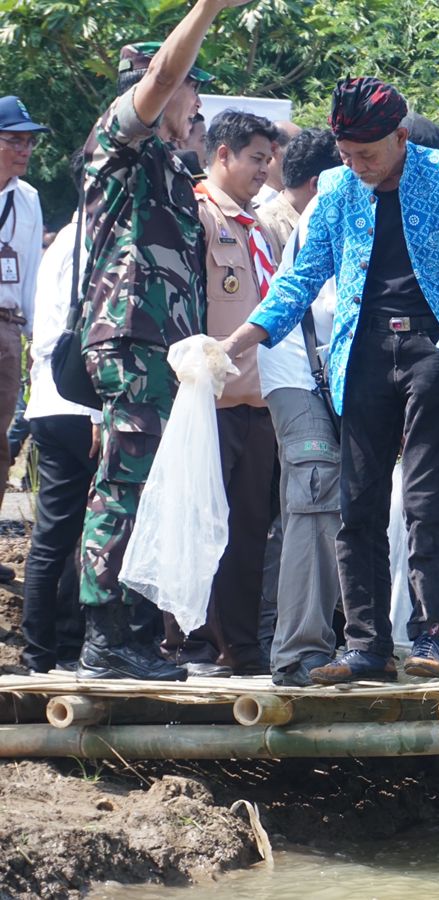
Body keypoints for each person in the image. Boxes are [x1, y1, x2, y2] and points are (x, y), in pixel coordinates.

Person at [221, 77, 439, 683]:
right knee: (356, 501)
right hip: (361, 352)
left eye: (368, 154)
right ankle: (364, 646)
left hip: (436, 350)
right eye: (346, 154)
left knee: (424, 501)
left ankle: (430, 637)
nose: (356, 165)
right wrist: (242, 340)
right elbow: (301, 278)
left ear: (400, 137)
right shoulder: (335, 187)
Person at [73, 8, 256, 683]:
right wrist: (207, 8)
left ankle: (136, 637)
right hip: (128, 340)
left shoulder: (177, 171)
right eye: (192, 89)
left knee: (152, 489)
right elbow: (162, 72)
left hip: (167, 355)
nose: (198, 100)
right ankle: (104, 638)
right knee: (124, 485)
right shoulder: (118, 145)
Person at [163, 110, 284, 678]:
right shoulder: (196, 214)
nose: (266, 169)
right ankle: (189, 645)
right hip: (206, 403)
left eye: (268, 158)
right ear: (222, 155)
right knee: (196, 526)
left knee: (247, 534)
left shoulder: (257, 227)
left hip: (256, 401)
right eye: (256, 157)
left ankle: (239, 646)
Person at [251, 127, 344, 687]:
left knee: (332, 505)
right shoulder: (334, 203)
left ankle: (332, 642)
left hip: (333, 376)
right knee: (313, 497)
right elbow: (325, 307)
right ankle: (298, 654)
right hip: (298, 372)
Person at [20, 156, 93, 673]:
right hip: (76, 404)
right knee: (65, 535)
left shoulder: (66, 239)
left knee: (59, 533)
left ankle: (48, 648)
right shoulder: (86, 242)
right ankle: (46, 650)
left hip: (51, 400)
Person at [0, 96, 50, 586]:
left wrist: (37, 344)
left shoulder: (28, 198)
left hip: (8, 327)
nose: (25, 149)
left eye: (28, 141)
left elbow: (32, 273)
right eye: (14, 140)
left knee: (0, 444)